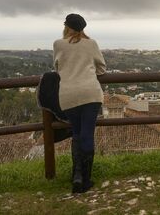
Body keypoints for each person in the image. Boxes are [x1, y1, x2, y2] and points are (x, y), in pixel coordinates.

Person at [53, 13, 106, 193]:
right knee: (87, 134)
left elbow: (57, 67)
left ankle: (76, 176)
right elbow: (102, 68)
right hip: (90, 93)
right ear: (83, 28)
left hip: (68, 95)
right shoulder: (91, 44)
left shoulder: (58, 44)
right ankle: (86, 179)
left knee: (76, 133)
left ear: (67, 27)